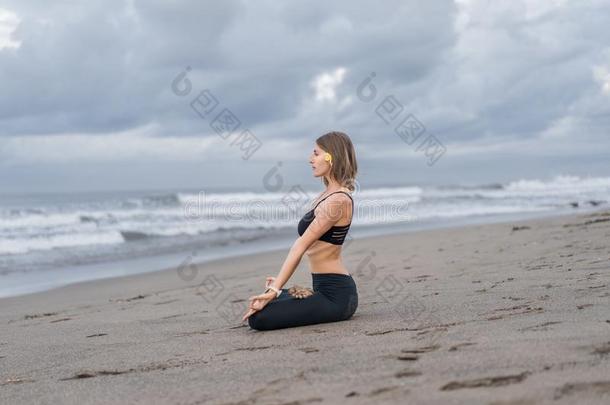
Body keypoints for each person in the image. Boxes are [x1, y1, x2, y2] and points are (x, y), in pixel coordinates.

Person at [242, 131, 359, 330]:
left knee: (259, 319)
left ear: (331, 157)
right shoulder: (326, 195)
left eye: (316, 153)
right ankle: (284, 292)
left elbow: (301, 245)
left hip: (337, 297)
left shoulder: (338, 201)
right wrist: (277, 286)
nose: (310, 159)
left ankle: (282, 291)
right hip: (321, 288)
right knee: (261, 306)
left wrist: (275, 288)